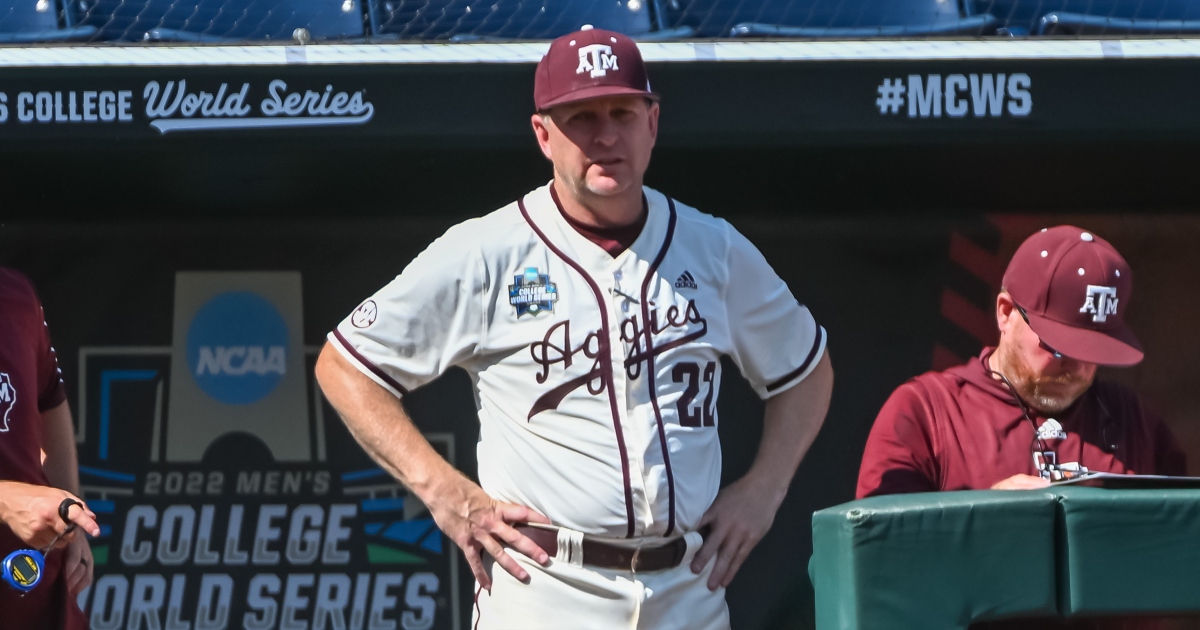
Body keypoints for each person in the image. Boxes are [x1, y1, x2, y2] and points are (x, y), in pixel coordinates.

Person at [315, 26, 834, 630]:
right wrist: (446, 495)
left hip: (687, 590)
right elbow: (345, 366)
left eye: (622, 111)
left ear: (653, 123)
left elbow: (805, 368)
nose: (606, 135)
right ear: (543, 134)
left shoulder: (713, 248)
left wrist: (765, 489)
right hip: (548, 587)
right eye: (581, 117)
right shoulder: (487, 252)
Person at [857, 225, 1185, 498]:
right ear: (1006, 313)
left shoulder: (1132, 418)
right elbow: (880, 556)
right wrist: (984, 515)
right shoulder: (928, 411)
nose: (1077, 368)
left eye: (1094, 353)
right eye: (1058, 347)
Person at [0, 267, 99, 629]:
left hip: (36, 603)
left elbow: (49, 400)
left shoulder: (16, 295)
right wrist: (6, 501)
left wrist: (66, 517)